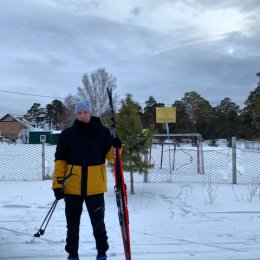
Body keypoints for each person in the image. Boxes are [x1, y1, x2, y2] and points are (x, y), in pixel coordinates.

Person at [52, 99, 121, 260]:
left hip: (95, 187)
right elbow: (60, 161)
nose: (82, 115)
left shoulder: (103, 132)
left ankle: (102, 252)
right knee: (72, 225)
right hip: (72, 187)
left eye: (85, 112)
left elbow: (112, 158)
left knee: (98, 224)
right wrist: (58, 184)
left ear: (91, 112)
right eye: (79, 112)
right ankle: (73, 254)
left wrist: (117, 147)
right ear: (75, 114)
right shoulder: (67, 134)